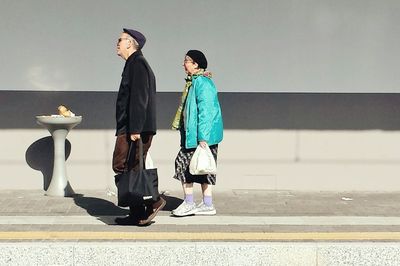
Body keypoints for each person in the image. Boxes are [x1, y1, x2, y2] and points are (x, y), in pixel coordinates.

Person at [112, 28, 165, 225]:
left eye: (120, 40)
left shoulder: (138, 64)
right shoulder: (132, 64)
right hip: (130, 126)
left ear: (130, 43)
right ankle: (136, 212)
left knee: (128, 165)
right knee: (128, 167)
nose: (117, 43)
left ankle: (154, 200)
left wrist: (135, 129)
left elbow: (139, 99)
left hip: (136, 128)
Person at [171, 50, 223, 217]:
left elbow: (207, 111)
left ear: (196, 64)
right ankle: (207, 204)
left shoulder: (202, 83)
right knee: (202, 169)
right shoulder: (194, 82)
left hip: (200, 136)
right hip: (196, 135)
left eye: (187, 60)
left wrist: (203, 138)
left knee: (184, 166)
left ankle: (189, 202)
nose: (183, 64)